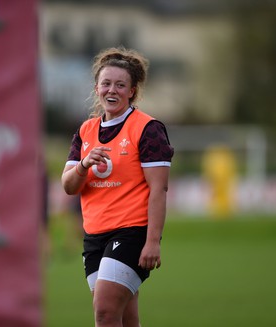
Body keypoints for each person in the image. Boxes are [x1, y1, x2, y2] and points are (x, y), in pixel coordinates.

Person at [61, 46, 174, 327]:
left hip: (131, 232)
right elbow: (68, 186)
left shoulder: (147, 129)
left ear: (132, 90)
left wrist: (152, 242)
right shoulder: (85, 131)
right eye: (106, 83)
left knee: (104, 312)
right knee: (124, 316)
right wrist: (83, 164)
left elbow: (158, 190)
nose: (113, 90)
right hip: (94, 235)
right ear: (97, 88)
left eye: (121, 85)